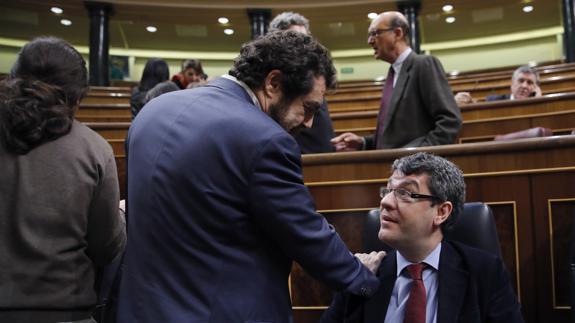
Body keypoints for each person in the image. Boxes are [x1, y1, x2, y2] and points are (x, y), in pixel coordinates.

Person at [117, 31, 385, 323]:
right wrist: (361, 274)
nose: (309, 123)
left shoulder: (152, 111)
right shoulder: (265, 139)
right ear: (273, 83)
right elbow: (304, 232)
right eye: (308, 108)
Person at [0, 37, 126, 322]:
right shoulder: (93, 149)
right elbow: (106, 246)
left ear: (12, 78)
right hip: (64, 309)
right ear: (78, 97)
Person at [320, 152, 524, 323]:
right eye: (388, 190)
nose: (386, 202)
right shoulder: (366, 274)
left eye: (406, 193)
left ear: (441, 212)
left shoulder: (484, 272)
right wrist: (356, 286)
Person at [331, 12, 461, 151]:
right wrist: (363, 142)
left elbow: (450, 122)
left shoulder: (423, 64)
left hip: (413, 170)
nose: (370, 41)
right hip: (392, 167)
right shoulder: (393, 73)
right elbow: (394, 138)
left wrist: (415, 157)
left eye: (375, 33)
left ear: (398, 33)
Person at [269, 11, 336, 154]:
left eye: (306, 39)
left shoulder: (315, 73)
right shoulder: (275, 81)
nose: (304, 46)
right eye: (296, 40)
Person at [454, 65, 542, 104]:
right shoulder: (493, 101)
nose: (524, 86)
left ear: (535, 87)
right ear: (512, 84)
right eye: (521, 81)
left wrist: (538, 100)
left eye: (530, 83)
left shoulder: (541, 103)